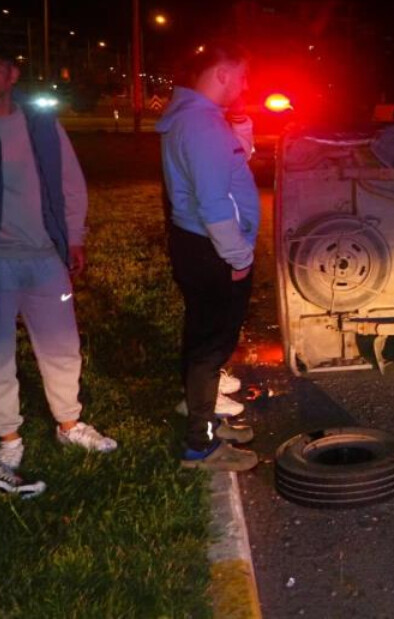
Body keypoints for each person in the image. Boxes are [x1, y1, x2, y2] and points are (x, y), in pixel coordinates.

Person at [0, 54, 116, 472]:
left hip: (45, 256)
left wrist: (75, 237)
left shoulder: (40, 125)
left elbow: (70, 182)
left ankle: (69, 423)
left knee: (63, 347)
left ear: (13, 74)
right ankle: (8, 435)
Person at [158, 43, 258, 471]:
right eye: (241, 74)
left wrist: (240, 124)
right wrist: (238, 257)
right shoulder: (200, 125)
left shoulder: (198, 118)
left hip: (199, 244)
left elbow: (234, 162)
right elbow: (214, 203)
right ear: (221, 72)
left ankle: (206, 418)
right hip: (214, 249)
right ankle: (199, 446)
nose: (245, 84)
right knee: (210, 345)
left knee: (205, 336)